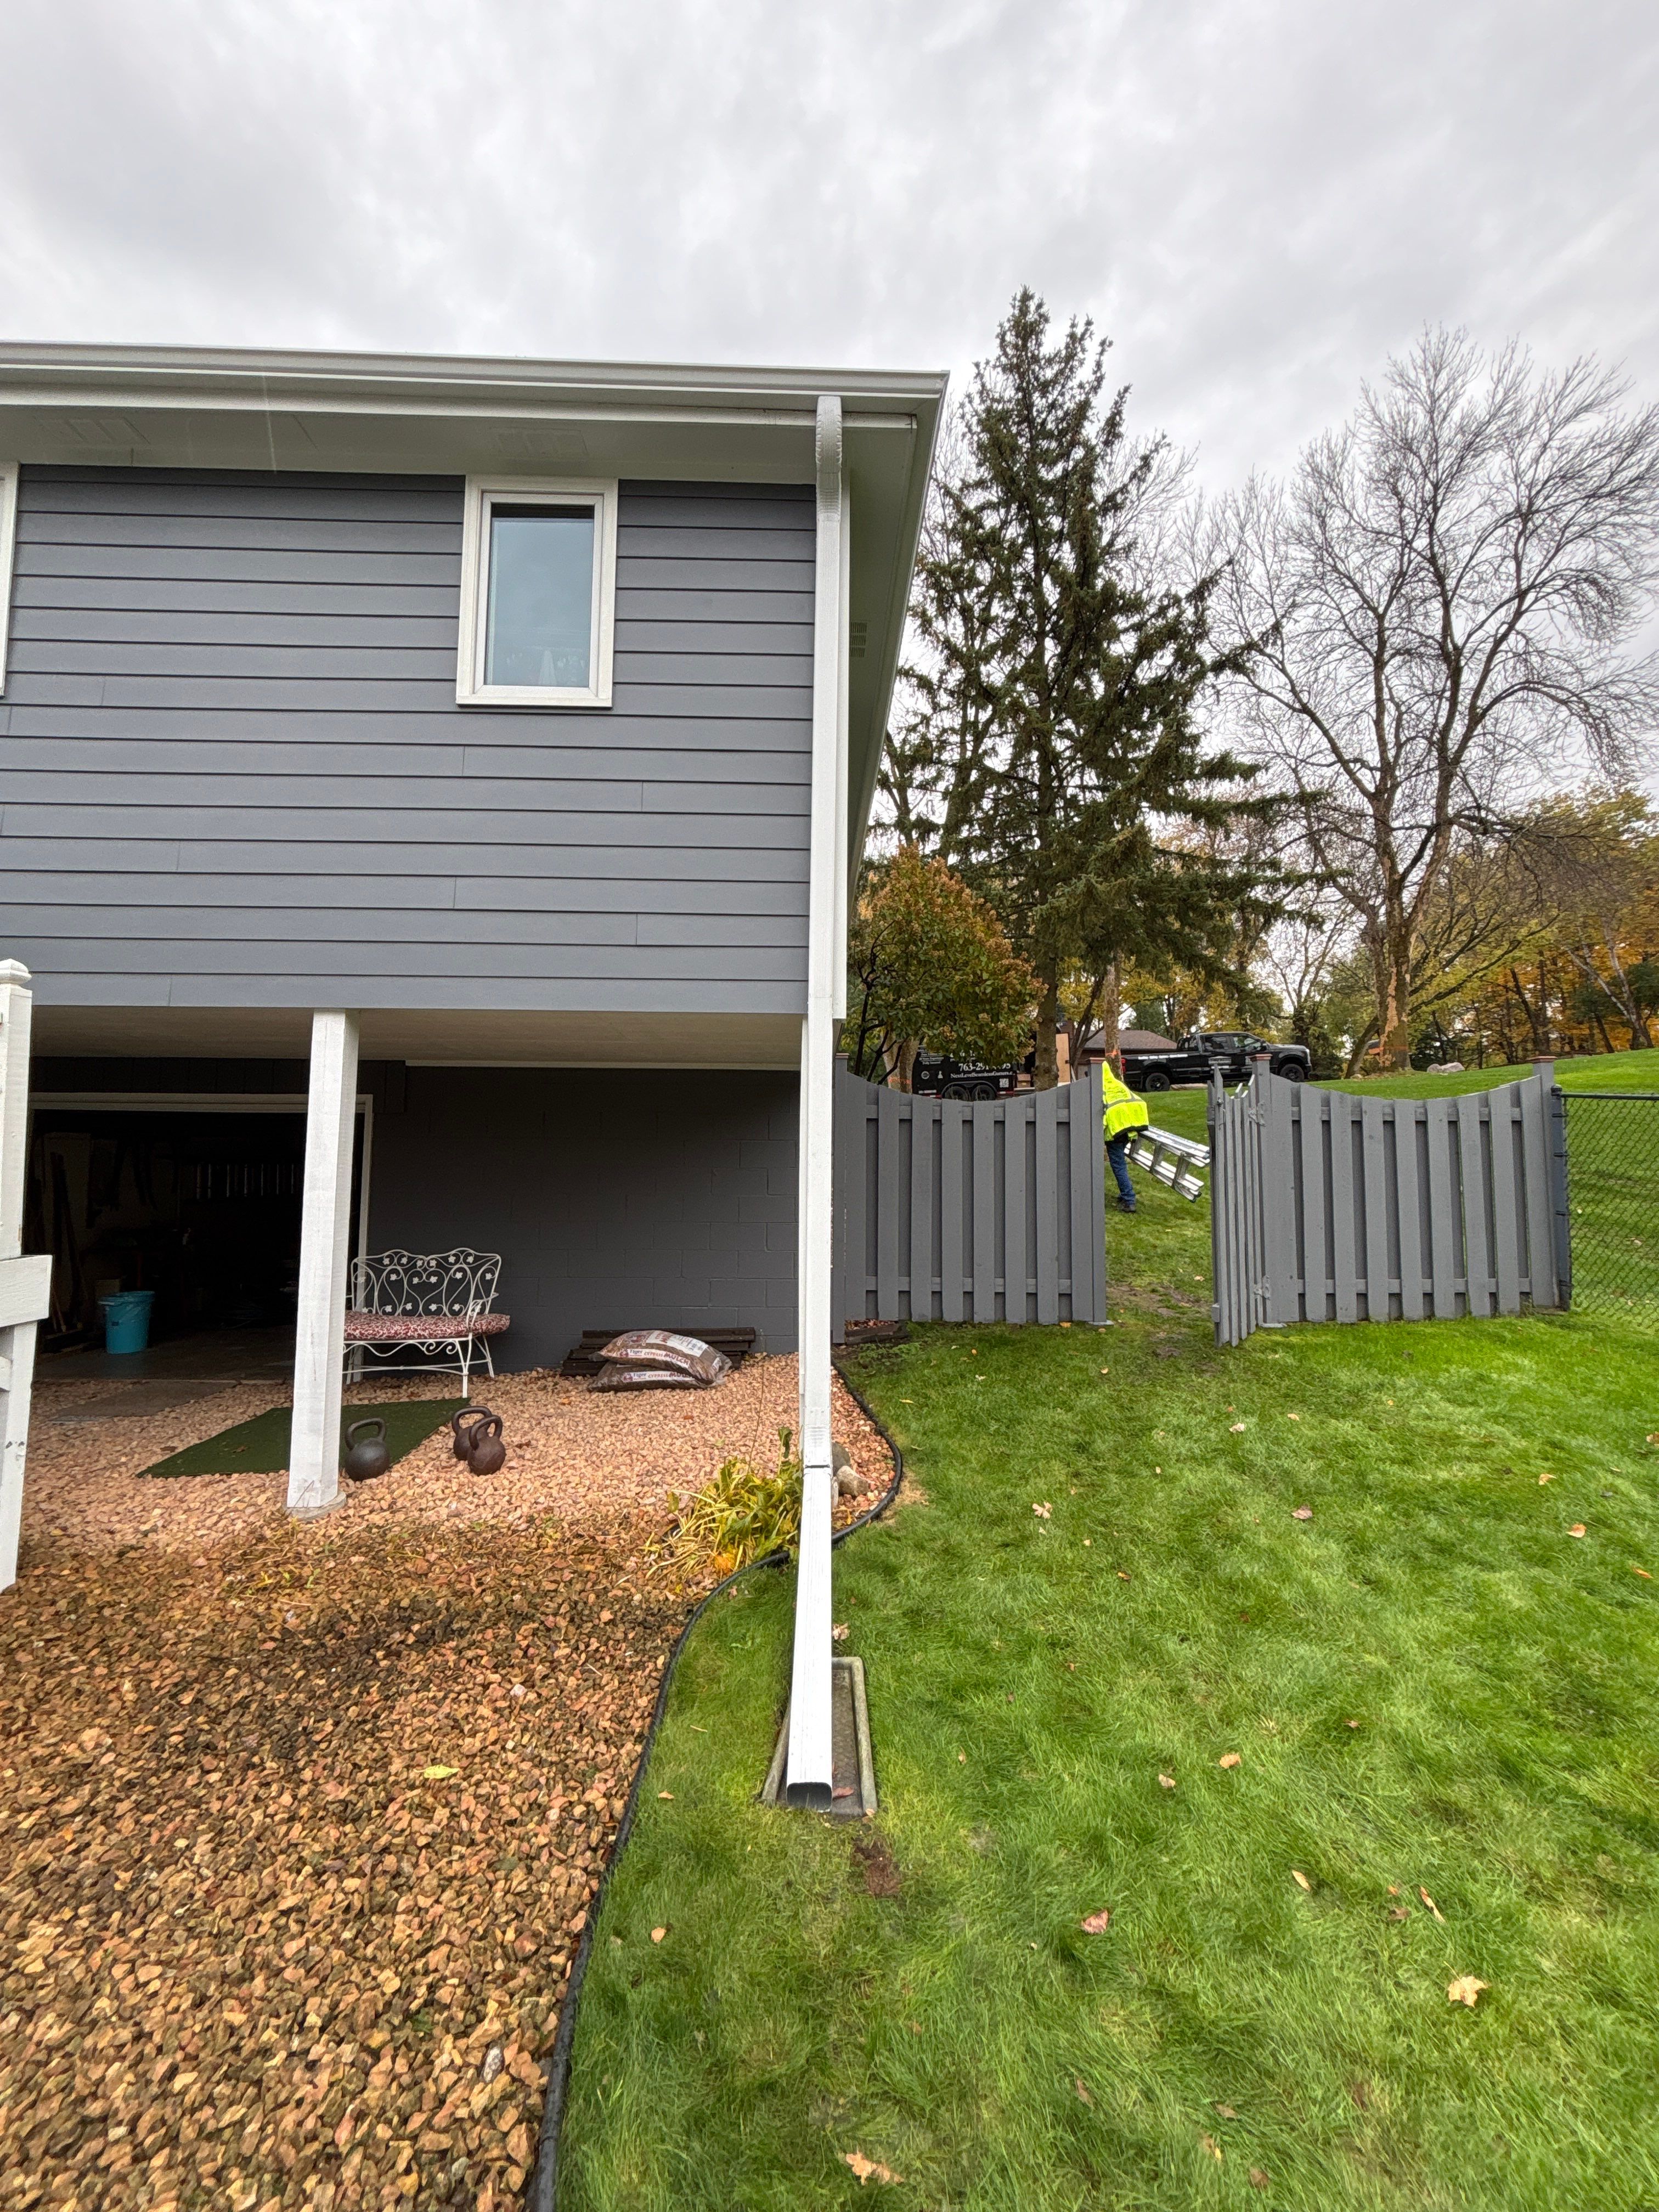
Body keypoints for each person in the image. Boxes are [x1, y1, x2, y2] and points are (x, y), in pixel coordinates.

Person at [1101, 1058, 1150, 1212]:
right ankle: (1126, 1195)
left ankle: (1129, 1200)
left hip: (1116, 1132)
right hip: (1130, 1129)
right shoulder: (1117, 1084)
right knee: (1120, 1163)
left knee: (1118, 1165)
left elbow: (1102, 1115)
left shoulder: (1101, 1088)